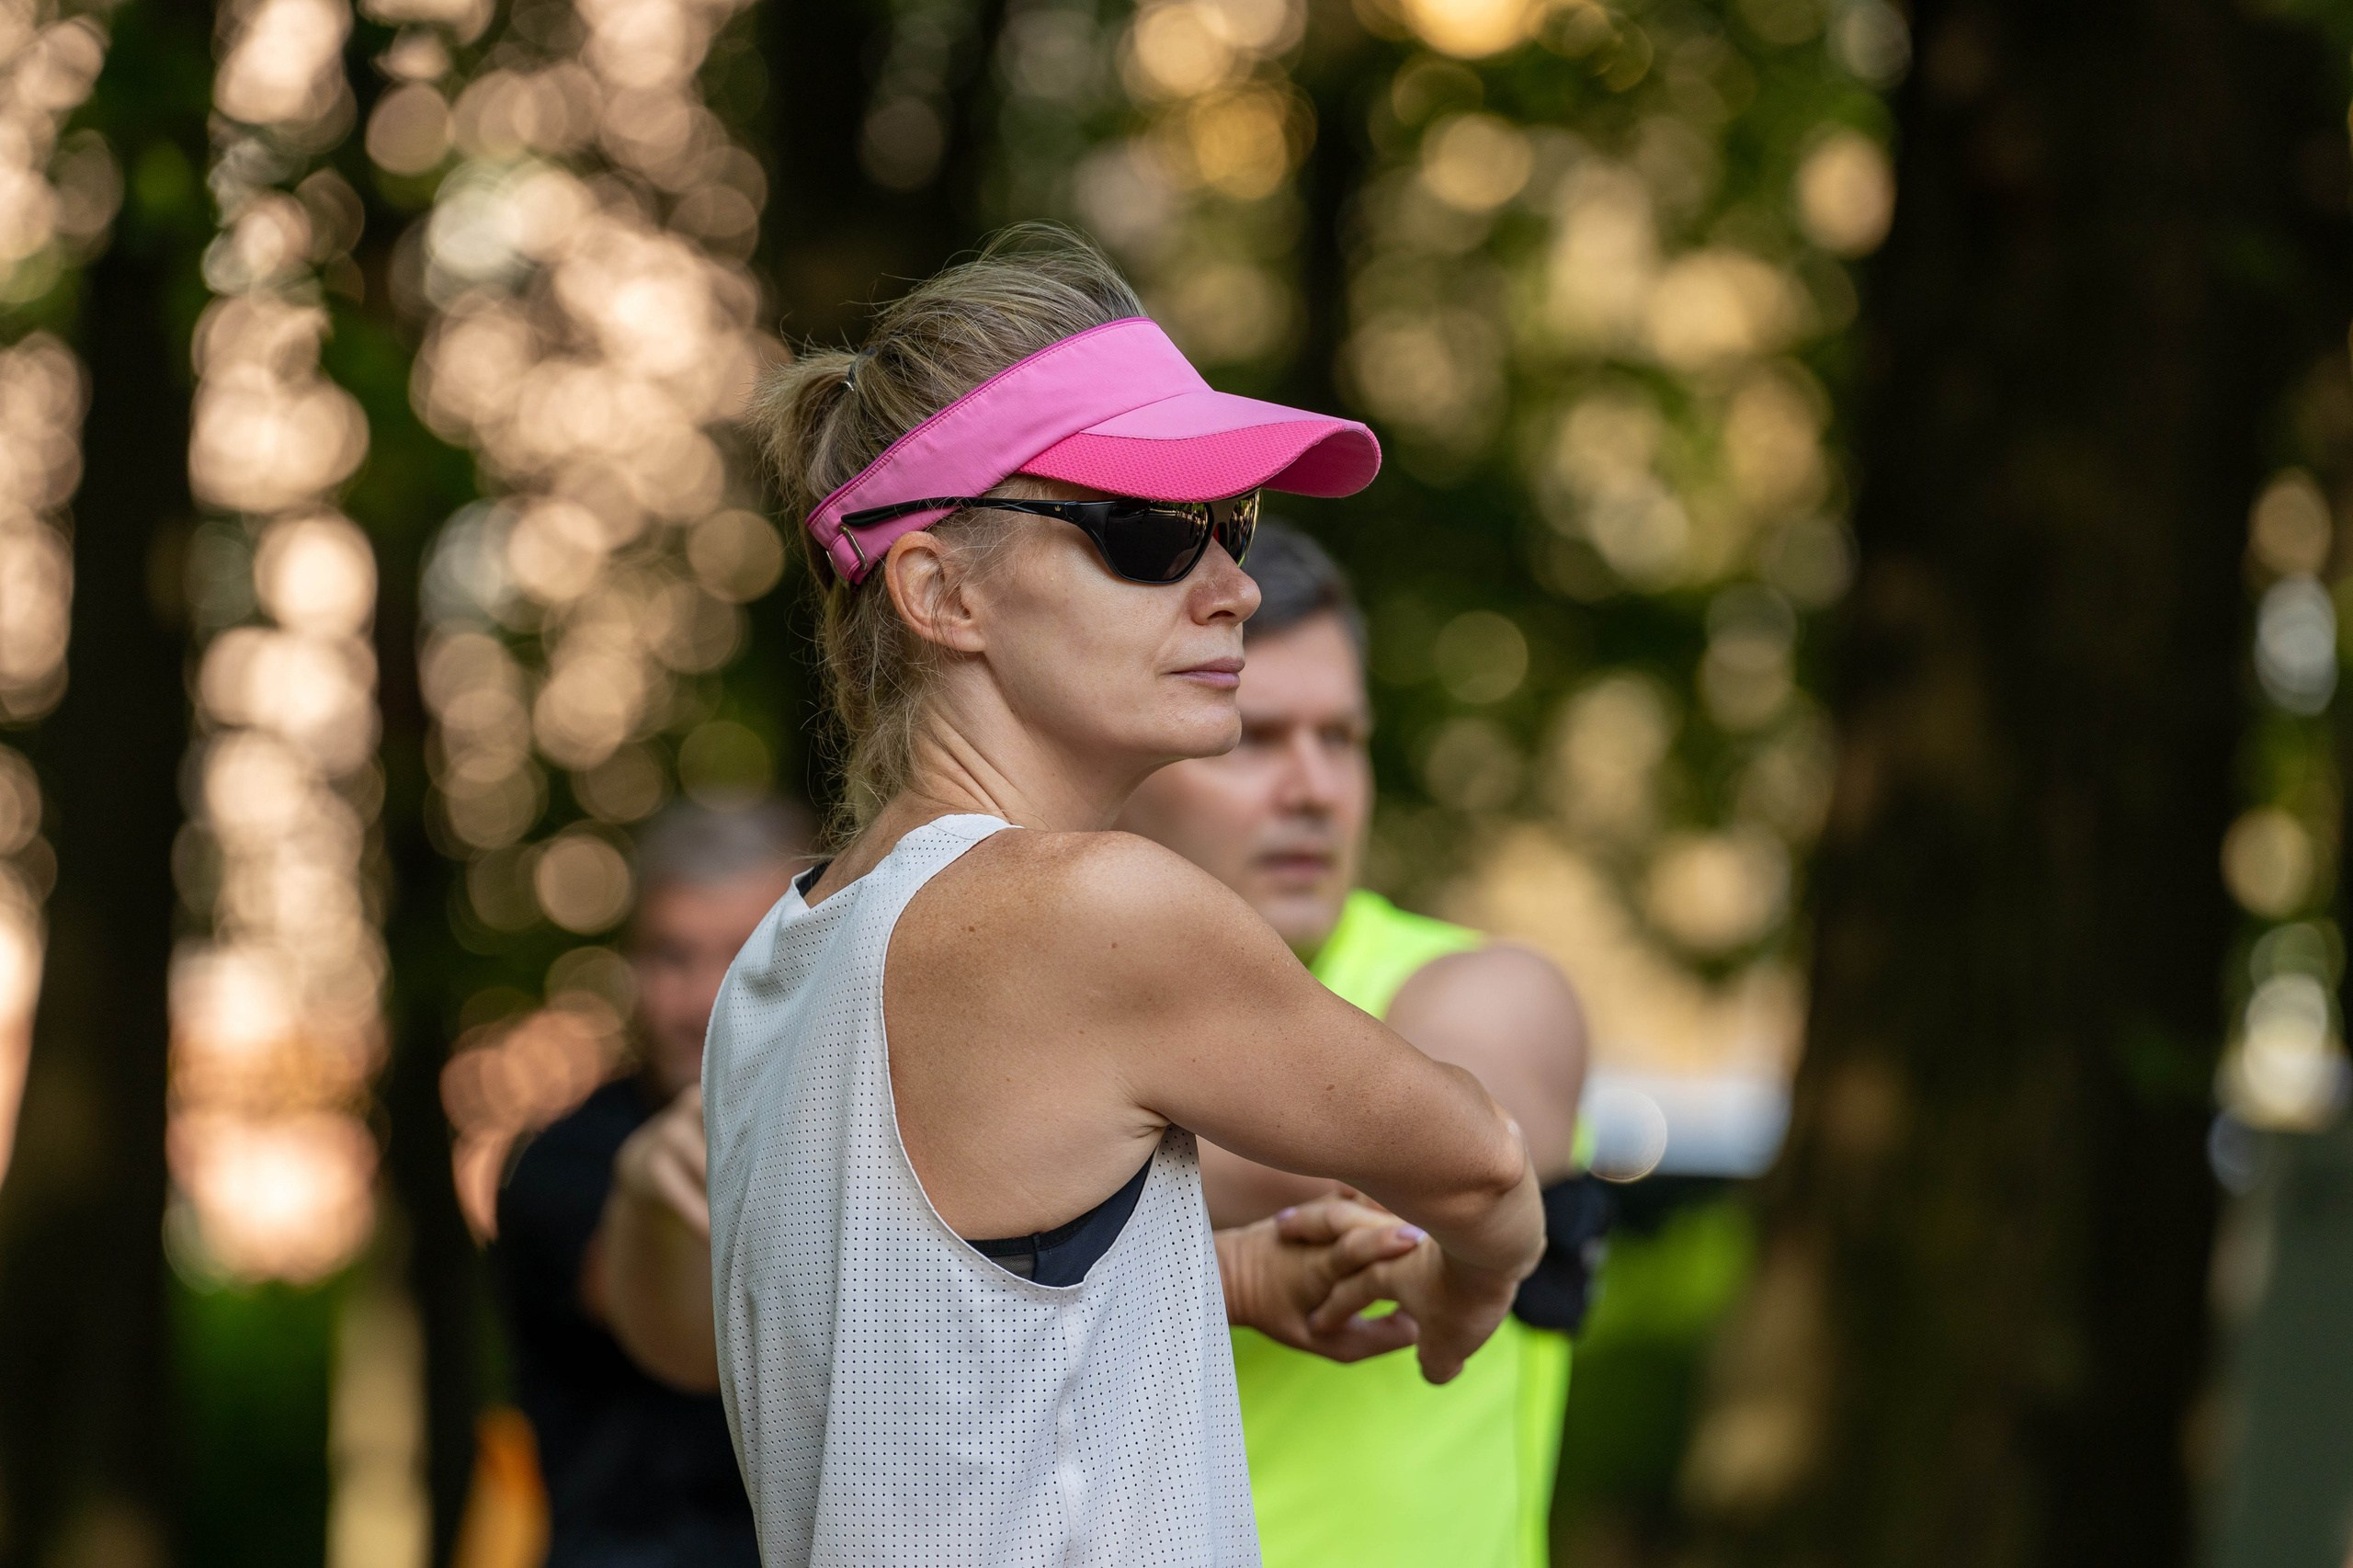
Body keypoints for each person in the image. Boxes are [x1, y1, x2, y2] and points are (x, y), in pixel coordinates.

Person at [699, 229, 1546, 1565]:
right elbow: (1485, 1162)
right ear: (938, 590)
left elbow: (917, 1354)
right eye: (1148, 530)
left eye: (1234, 526)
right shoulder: (1093, 907)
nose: (1236, 590)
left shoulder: (777, 959)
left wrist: (1238, 1278)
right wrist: (1463, 1292)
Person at [1117, 523, 1602, 1568]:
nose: (1314, 789)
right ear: (1128, 756)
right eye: (1255, 736)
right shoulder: (1045, 996)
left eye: (1341, 738)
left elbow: (1445, 1140)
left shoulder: (1487, 988)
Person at [491, 801, 809, 1568]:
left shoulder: (865, 1141)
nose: (703, 1001)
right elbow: (670, 1319)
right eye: (672, 956)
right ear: (631, 968)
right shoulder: (565, 1160)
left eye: (741, 954)